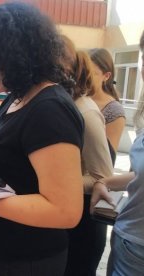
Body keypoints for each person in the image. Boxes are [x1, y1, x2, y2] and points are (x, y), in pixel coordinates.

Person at [0, 3, 85, 275]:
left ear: (10, 55)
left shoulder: (50, 108)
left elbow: (65, 210)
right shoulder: (17, 96)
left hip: (25, 258)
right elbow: (16, 160)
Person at [90, 29, 144, 276]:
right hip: (130, 240)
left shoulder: (113, 110)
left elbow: (106, 156)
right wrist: (106, 181)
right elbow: (139, 175)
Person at [64, 50, 113, 276]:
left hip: (85, 222)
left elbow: (103, 176)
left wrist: (55, 179)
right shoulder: (68, 105)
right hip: (69, 216)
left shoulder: (86, 112)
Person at [89, 48, 125, 161]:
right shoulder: (75, 99)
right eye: (82, 72)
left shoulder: (114, 111)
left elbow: (107, 158)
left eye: (91, 74)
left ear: (106, 76)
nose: (84, 78)